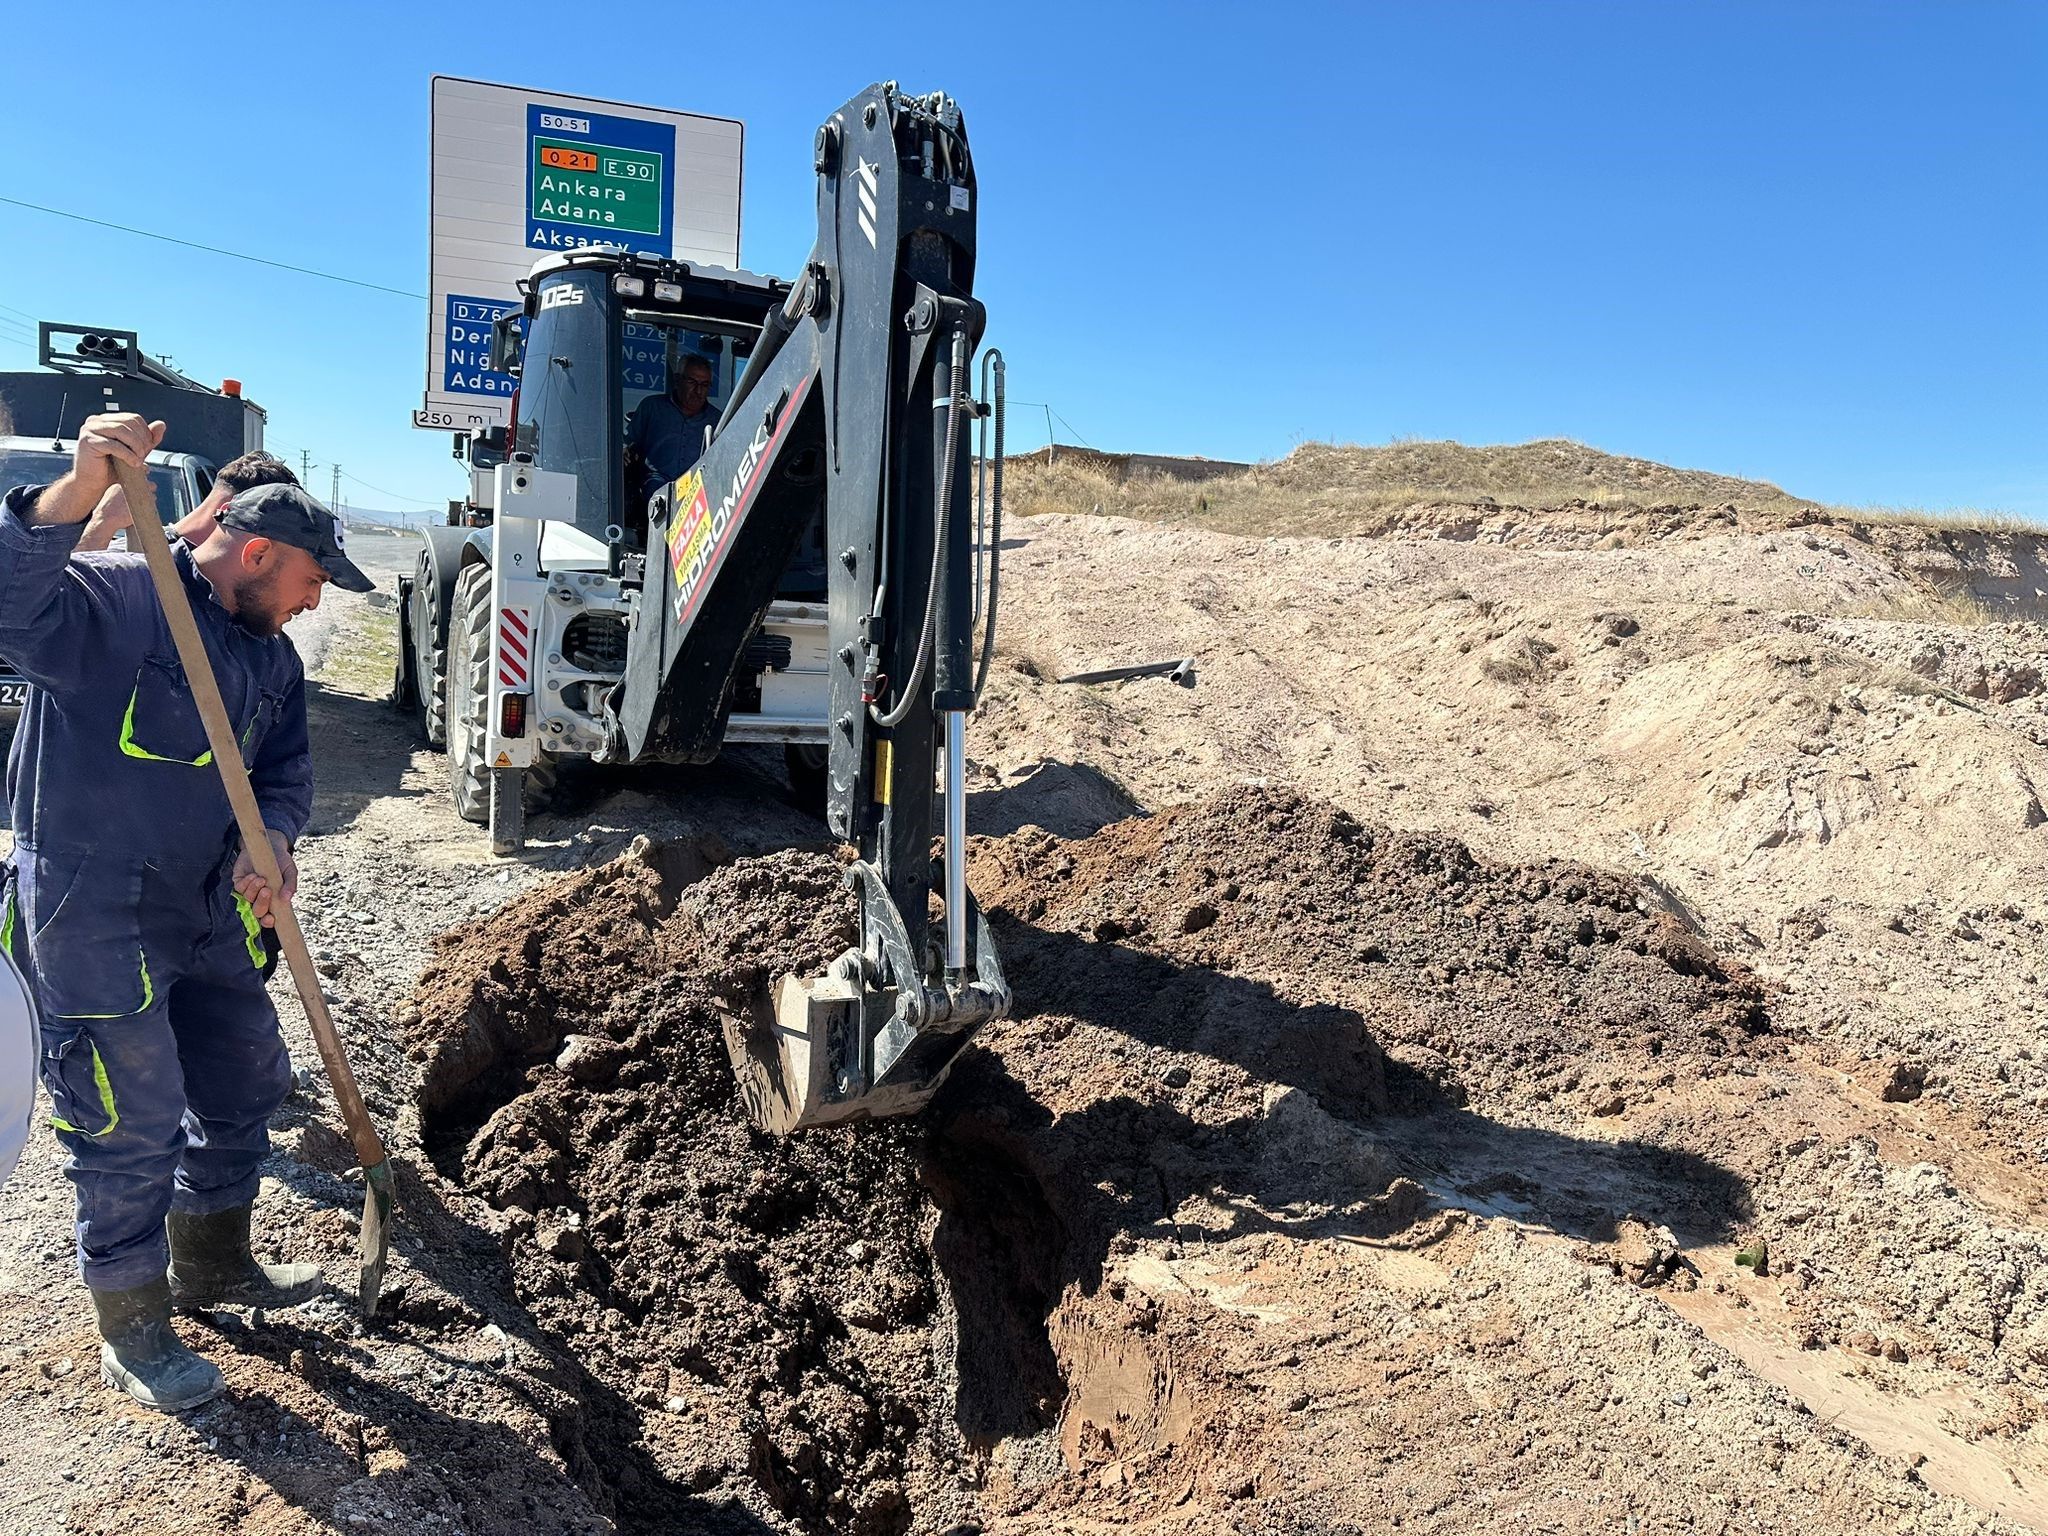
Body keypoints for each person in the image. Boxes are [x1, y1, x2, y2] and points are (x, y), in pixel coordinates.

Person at [0, 412, 372, 1413]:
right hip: (94, 913)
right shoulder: (123, 604)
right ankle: (134, 1324)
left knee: (249, 1076)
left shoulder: (271, 660)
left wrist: (278, 837)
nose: (310, 604)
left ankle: (213, 1261)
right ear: (257, 553)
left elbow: (286, 772)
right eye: (309, 583)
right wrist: (71, 496)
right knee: (132, 1120)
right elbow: (6, 600)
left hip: (206, 912)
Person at [75, 449, 299, 554]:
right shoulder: (128, 552)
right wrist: (102, 524)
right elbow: (69, 597)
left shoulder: (220, 576)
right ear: (232, 508)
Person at [625, 352, 718, 505]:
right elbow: (629, 443)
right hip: (654, 486)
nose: (698, 391)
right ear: (677, 380)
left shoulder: (717, 421)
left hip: (697, 493)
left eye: (704, 385)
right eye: (692, 382)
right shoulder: (652, 407)